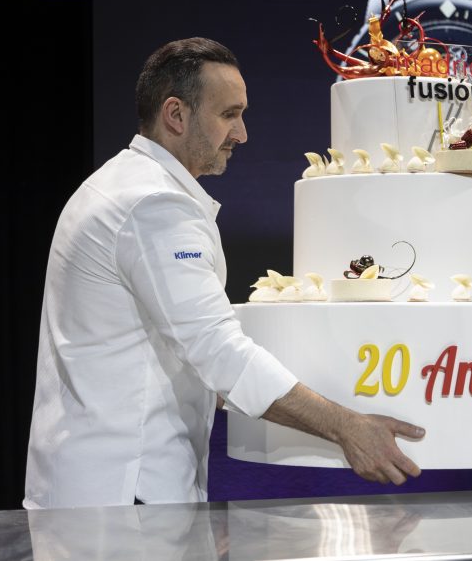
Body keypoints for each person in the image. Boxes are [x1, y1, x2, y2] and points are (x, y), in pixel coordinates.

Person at [24, 37, 425, 509]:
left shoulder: (124, 185)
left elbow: (177, 351)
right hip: (122, 501)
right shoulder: (154, 205)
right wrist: (347, 426)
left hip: (98, 492)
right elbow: (217, 353)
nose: (242, 134)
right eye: (228, 114)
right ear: (176, 115)